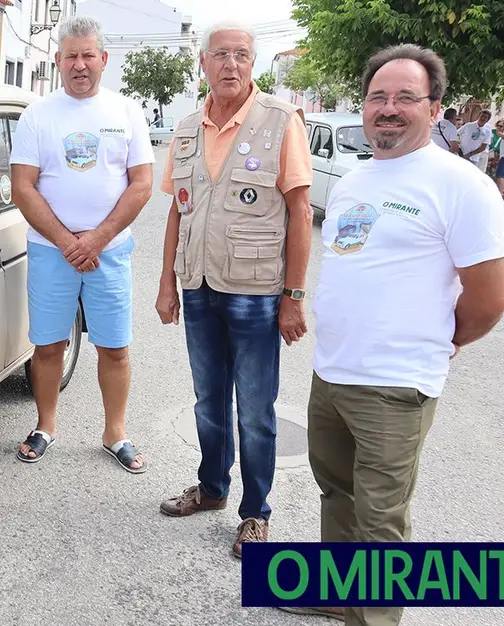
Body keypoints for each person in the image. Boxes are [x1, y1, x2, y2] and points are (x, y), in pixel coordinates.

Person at [285, 44, 504, 626]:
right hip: (334, 371)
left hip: (397, 384)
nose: (389, 109)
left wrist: (438, 343)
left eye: (405, 97)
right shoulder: (356, 180)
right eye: (379, 97)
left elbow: (490, 300)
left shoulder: (460, 185)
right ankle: (335, 593)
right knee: (338, 495)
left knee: (382, 520)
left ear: (434, 108)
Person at [154, 19, 313, 558]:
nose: (231, 65)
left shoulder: (279, 121)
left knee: (256, 410)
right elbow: (178, 211)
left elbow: (299, 211)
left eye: (242, 55)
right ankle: (214, 488)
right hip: (197, 284)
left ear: (253, 63)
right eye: (221, 55)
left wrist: (293, 296)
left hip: (255, 290)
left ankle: (256, 513)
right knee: (207, 401)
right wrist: (166, 283)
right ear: (203, 63)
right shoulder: (184, 128)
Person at [8, 16, 154, 473]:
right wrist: (69, 242)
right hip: (52, 252)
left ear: (104, 60)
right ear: (58, 61)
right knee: (49, 345)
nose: (80, 64)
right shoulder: (38, 114)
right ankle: (45, 425)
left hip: (108, 252)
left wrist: (96, 239)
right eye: (71, 55)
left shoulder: (126, 112)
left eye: (88, 54)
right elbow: (23, 187)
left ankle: (115, 433)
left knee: (115, 348)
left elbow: (142, 184)